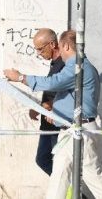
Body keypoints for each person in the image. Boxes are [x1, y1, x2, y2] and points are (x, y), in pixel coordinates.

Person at [4, 30, 102, 199]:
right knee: (59, 176)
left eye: (61, 49)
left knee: (93, 176)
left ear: (65, 46)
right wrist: (51, 109)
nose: (61, 54)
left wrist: (20, 78)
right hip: (69, 130)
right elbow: (64, 94)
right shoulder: (79, 67)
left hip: (80, 129)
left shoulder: (78, 67)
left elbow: (53, 83)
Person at [28, 29, 64, 175]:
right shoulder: (55, 64)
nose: (39, 53)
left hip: (57, 123)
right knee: (43, 159)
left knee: (60, 165)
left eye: (41, 49)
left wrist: (50, 105)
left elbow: (68, 92)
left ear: (52, 44)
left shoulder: (65, 64)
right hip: (47, 123)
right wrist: (39, 107)